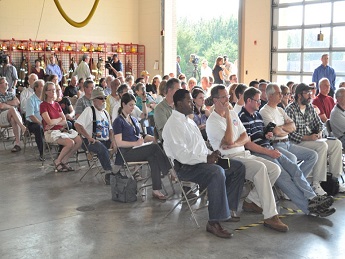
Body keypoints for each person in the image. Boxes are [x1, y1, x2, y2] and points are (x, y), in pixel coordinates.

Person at [163, 89, 246, 238]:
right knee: (216, 172)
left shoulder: (189, 121)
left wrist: (212, 154)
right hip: (186, 167)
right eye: (189, 101)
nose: (192, 103)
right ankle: (213, 222)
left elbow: (200, 146)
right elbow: (182, 156)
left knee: (236, 167)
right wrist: (206, 159)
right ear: (179, 103)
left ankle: (228, 209)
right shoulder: (173, 124)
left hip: (201, 161)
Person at [206, 85, 289, 232]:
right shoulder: (212, 121)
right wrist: (227, 116)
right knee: (261, 168)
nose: (228, 100)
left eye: (227, 96)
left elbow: (246, 137)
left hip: (242, 153)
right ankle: (271, 215)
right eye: (224, 97)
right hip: (227, 159)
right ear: (215, 100)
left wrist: (236, 142)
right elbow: (228, 140)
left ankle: (252, 200)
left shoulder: (232, 113)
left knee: (274, 169)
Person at [259, 84, 335, 216]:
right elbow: (276, 131)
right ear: (270, 95)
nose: (282, 96)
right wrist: (283, 129)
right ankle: (312, 202)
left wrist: (282, 129)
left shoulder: (281, 110)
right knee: (291, 169)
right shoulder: (264, 111)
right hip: (275, 145)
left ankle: (312, 202)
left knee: (312, 156)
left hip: (287, 143)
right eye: (279, 93)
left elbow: (292, 126)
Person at [285, 83, 344, 194]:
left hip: (313, 139)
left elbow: (320, 124)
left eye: (310, 93)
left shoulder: (310, 107)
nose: (310, 95)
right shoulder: (290, 109)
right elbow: (290, 134)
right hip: (298, 142)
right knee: (322, 146)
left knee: (336, 144)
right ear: (299, 95)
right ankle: (316, 183)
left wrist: (320, 132)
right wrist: (308, 137)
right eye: (307, 93)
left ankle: (335, 180)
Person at [113, 93, 171, 200]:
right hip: (126, 153)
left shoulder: (134, 119)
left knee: (154, 153)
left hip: (137, 149)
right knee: (154, 148)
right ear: (123, 104)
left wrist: (155, 139)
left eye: (134, 105)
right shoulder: (118, 121)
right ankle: (170, 171)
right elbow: (119, 143)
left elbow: (142, 136)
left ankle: (156, 190)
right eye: (130, 105)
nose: (133, 108)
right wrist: (136, 143)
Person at [75, 88, 116, 184]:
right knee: (101, 147)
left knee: (119, 144)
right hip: (90, 142)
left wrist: (113, 141)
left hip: (105, 140)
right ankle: (109, 172)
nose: (103, 101)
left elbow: (110, 129)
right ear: (94, 100)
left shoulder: (105, 112)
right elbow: (77, 125)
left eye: (104, 98)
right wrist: (89, 137)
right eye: (101, 98)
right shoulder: (89, 110)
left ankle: (118, 170)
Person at [40, 81, 82, 172]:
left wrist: (54, 122)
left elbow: (64, 122)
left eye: (54, 90)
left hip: (60, 130)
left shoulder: (57, 104)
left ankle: (65, 160)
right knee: (70, 142)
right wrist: (58, 120)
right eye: (50, 90)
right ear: (46, 92)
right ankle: (57, 161)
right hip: (50, 133)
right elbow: (49, 121)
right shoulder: (43, 105)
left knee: (78, 140)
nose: (53, 92)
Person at [0, 77, 27, 152]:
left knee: (13, 119)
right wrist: (11, 105)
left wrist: (6, 104)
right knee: (12, 109)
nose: (7, 83)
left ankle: (17, 144)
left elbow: (17, 102)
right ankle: (23, 127)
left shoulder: (10, 94)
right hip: (2, 117)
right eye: (5, 82)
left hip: (12, 115)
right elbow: (1, 106)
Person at [25, 79, 45, 160]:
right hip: (33, 123)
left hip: (46, 121)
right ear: (36, 88)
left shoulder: (45, 99)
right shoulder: (30, 100)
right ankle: (42, 152)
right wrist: (41, 123)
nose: (44, 87)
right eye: (42, 86)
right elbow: (31, 116)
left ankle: (61, 151)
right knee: (38, 128)